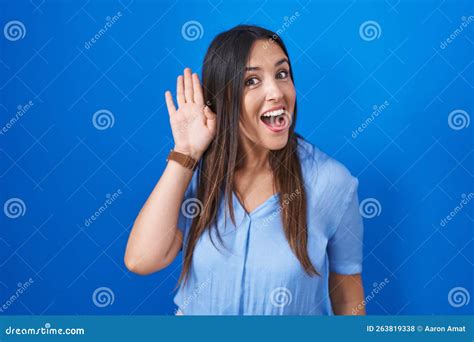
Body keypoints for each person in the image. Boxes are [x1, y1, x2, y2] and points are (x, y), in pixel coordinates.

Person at [124, 25, 366, 315]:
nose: (276, 91)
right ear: (223, 99)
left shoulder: (331, 181)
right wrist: (185, 153)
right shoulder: (197, 175)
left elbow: (348, 291)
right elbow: (142, 260)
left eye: (282, 74)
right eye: (252, 80)